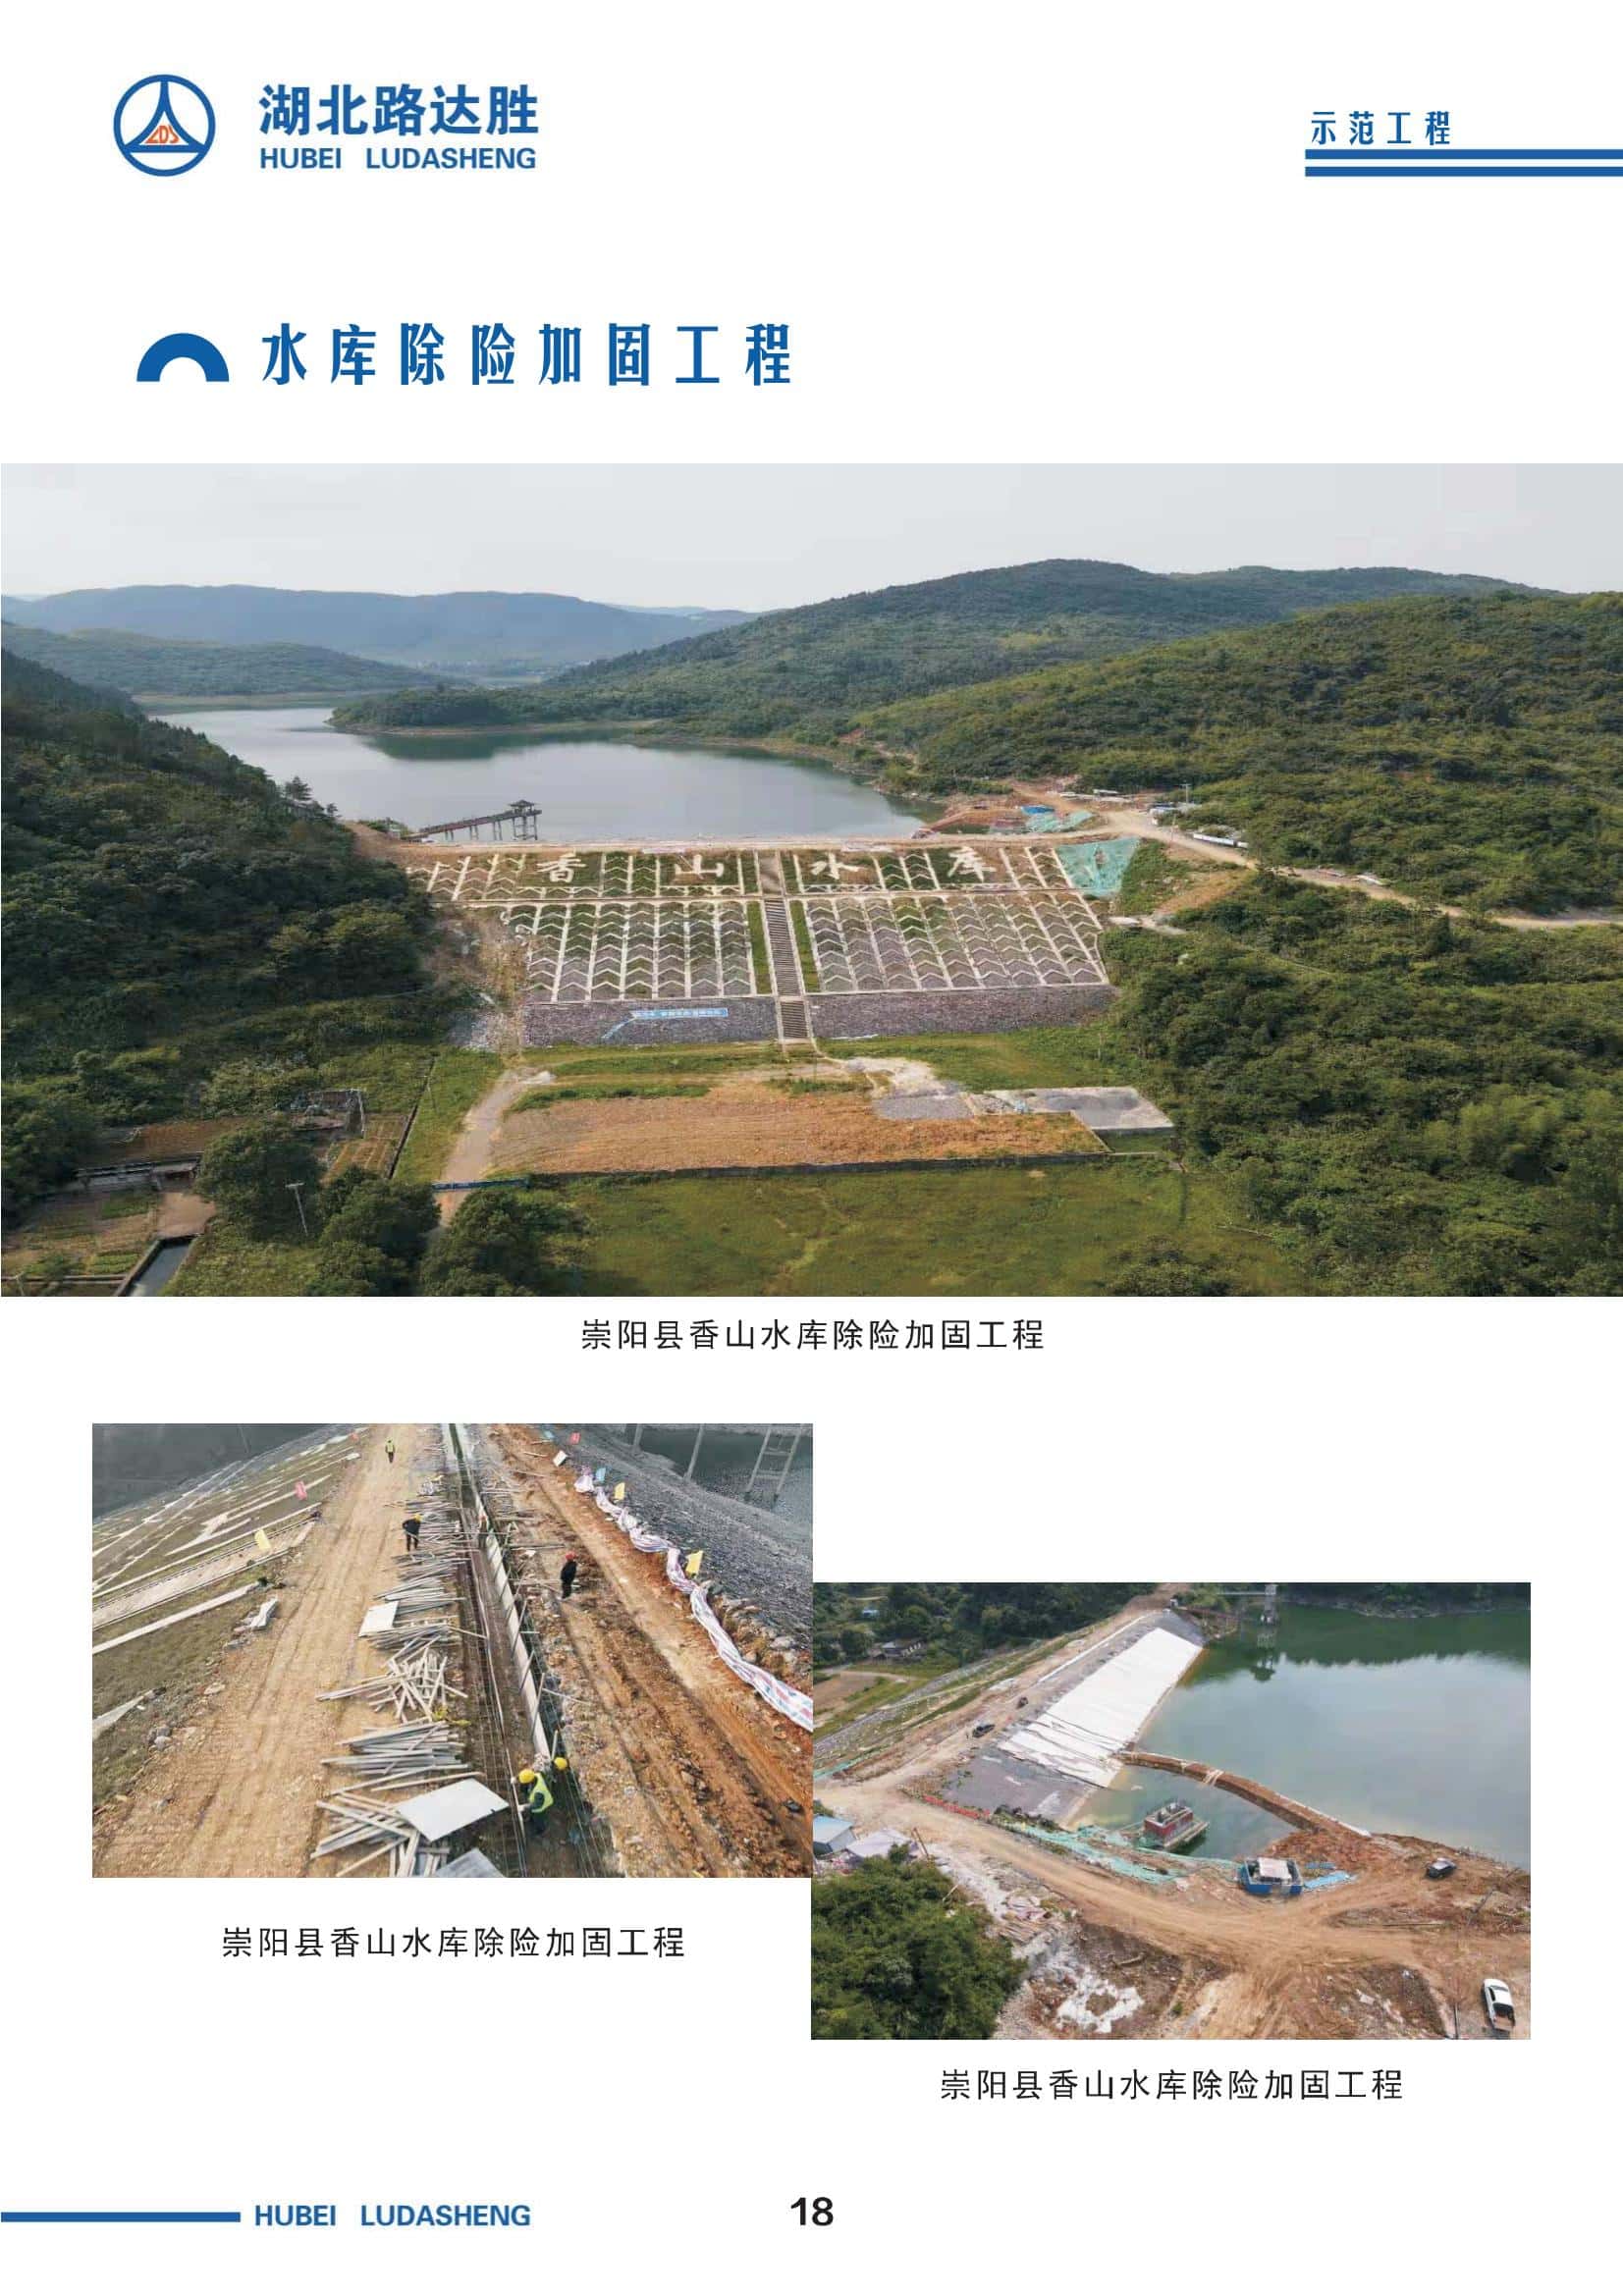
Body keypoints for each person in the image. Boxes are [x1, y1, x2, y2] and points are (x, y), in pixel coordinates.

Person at [516, 1767, 553, 1838]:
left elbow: (537, 1805)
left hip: (541, 1806)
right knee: (532, 1812)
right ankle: (531, 1820)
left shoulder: (539, 1791)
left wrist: (524, 1807)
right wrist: (516, 1778)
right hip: (535, 1801)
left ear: (529, 1782)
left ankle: (541, 1830)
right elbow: (524, 1775)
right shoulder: (534, 1775)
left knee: (538, 1819)